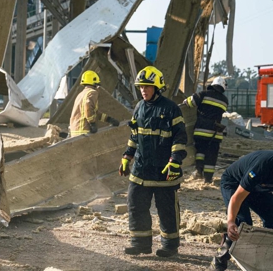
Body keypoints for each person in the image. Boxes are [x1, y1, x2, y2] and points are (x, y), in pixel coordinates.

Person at [119, 66, 187, 258]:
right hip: (140, 169)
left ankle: (170, 246)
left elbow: (180, 138)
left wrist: (175, 161)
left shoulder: (171, 109)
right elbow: (134, 135)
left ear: (157, 88)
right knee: (135, 205)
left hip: (165, 170)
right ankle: (140, 244)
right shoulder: (139, 107)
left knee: (166, 210)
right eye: (141, 87)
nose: (143, 90)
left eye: (147, 86)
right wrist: (127, 157)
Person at [210, 150, 273, 270]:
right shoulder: (263, 166)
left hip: (258, 188)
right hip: (234, 183)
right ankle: (219, 259)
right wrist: (230, 222)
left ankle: (265, 259)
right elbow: (237, 198)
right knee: (241, 226)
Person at [181, 76, 228, 183]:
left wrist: (186, 100)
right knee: (211, 155)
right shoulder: (225, 100)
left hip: (201, 131)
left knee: (200, 152)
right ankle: (208, 178)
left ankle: (199, 172)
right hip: (216, 133)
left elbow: (190, 102)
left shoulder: (204, 94)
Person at [69, 70, 120, 137]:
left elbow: (94, 113)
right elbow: (88, 109)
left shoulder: (81, 94)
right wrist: (92, 123)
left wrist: (109, 119)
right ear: (95, 83)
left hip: (75, 131)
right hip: (83, 131)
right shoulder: (92, 92)